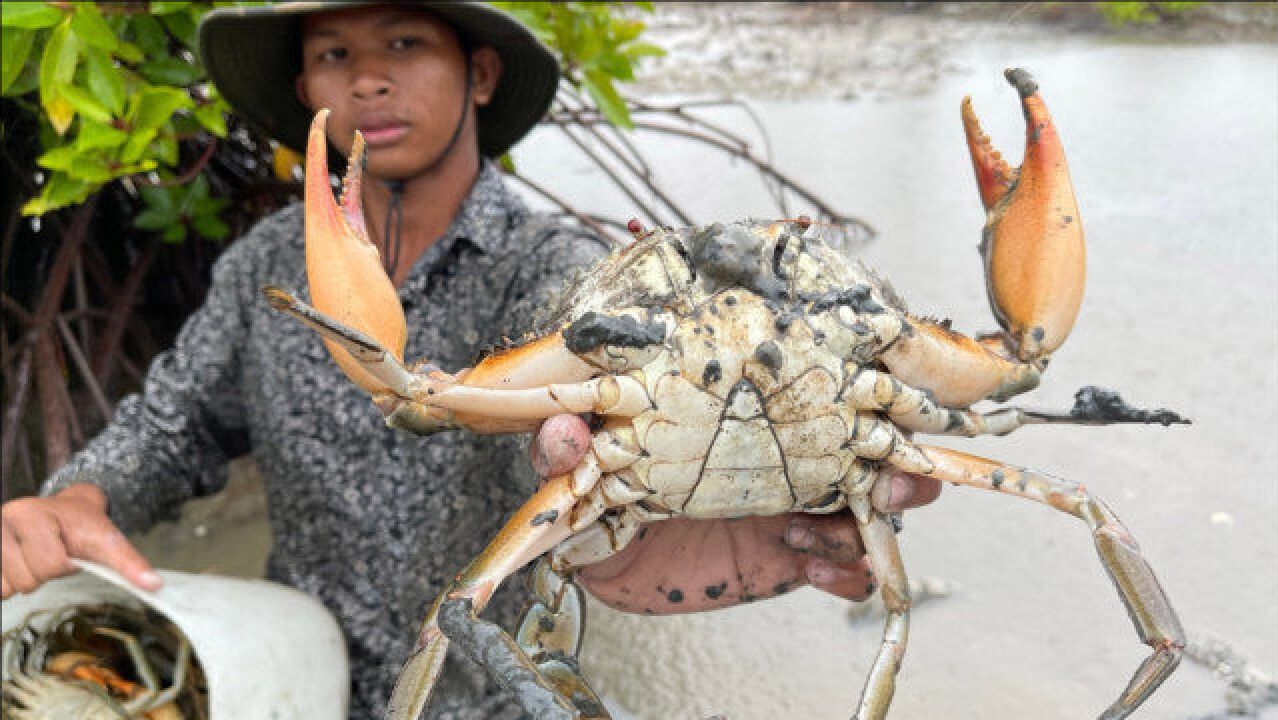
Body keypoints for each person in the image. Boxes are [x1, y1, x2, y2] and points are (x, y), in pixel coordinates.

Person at [0, 3, 941, 718]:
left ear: (480, 73)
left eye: (404, 44)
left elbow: (589, 399)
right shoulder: (267, 269)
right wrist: (79, 497)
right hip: (297, 670)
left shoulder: (561, 269)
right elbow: (173, 426)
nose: (368, 81)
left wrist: (704, 507)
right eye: (335, 54)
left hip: (496, 693)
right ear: (304, 90)